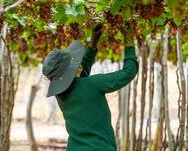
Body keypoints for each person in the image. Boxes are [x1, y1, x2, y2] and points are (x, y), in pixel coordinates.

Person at [42, 22, 139, 151]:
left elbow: (82, 72)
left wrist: (93, 45)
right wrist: (129, 42)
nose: (78, 63)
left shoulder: (61, 94)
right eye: (74, 63)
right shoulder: (94, 84)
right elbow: (128, 72)